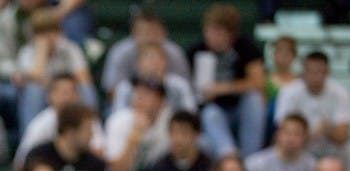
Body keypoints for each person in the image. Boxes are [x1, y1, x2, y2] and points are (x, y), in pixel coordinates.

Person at [274, 51, 350, 171]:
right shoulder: (289, 92)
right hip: (301, 151)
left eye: (319, 72)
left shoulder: (340, 93)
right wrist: (319, 131)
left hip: (332, 150)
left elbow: (343, 136)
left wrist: (311, 132)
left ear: (327, 72)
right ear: (303, 72)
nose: (315, 77)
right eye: (310, 72)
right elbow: (285, 137)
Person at [189, 3, 266, 158]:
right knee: (210, 114)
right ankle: (229, 155)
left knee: (254, 100)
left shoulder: (245, 47)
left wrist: (222, 88)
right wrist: (203, 95)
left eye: (218, 32)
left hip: (240, 108)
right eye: (209, 31)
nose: (212, 37)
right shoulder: (197, 51)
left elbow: (258, 83)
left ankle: (251, 158)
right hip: (216, 110)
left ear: (231, 34)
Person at [14, 8, 97, 135]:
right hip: (43, 100)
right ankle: (30, 135)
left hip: (68, 95)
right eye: (42, 32)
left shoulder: (70, 49)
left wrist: (64, 90)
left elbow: (84, 79)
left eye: (52, 31)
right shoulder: (27, 52)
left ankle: (94, 131)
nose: (48, 36)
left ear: (59, 32)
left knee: (86, 89)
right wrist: (42, 53)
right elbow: (34, 78)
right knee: (34, 90)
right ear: (34, 35)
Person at [105, 78, 172, 171]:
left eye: (147, 95)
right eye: (137, 94)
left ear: (161, 102)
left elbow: (172, 166)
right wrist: (135, 134)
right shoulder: (119, 121)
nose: (139, 99)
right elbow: (116, 170)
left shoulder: (169, 124)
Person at [13, 73, 105, 169]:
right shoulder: (39, 125)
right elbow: (21, 162)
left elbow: (102, 154)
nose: (68, 97)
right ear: (50, 96)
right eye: (64, 93)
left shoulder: (88, 119)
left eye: (72, 92)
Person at [101, 8, 191, 97]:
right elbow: (112, 91)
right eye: (144, 32)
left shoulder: (175, 53)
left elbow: (184, 89)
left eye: (154, 32)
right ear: (134, 34)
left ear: (164, 33)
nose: (149, 38)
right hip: (129, 104)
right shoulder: (120, 53)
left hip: (168, 104)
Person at [109, 41, 197, 115]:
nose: (154, 63)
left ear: (166, 62)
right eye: (149, 58)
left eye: (158, 59)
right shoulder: (126, 87)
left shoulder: (179, 86)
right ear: (138, 64)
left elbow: (190, 114)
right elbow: (118, 116)